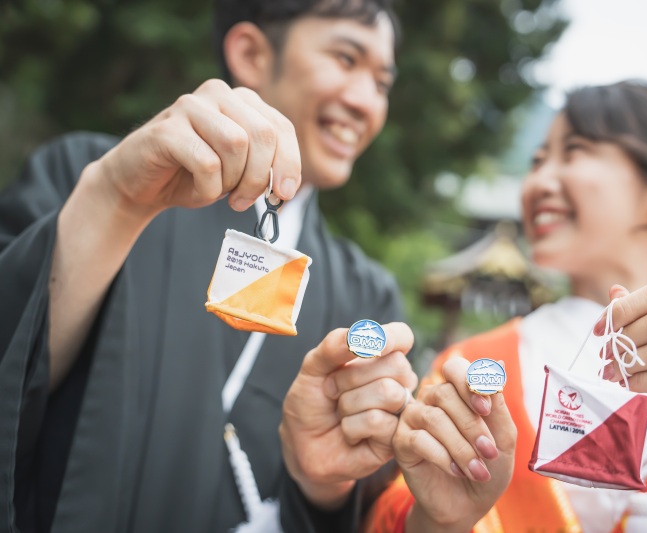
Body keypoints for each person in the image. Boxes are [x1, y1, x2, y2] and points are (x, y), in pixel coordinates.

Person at [0, 0, 419, 531]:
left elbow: (374, 502)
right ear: (250, 53)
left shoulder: (368, 298)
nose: (365, 100)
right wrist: (116, 203)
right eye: (345, 58)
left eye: (382, 83)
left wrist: (325, 484)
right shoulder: (89, 180)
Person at [365, 81, 647, 532]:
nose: (537, 181)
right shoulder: (475, 367)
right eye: (536, 161)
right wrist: (439, 521)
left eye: (573, 152)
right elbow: (401, 511)